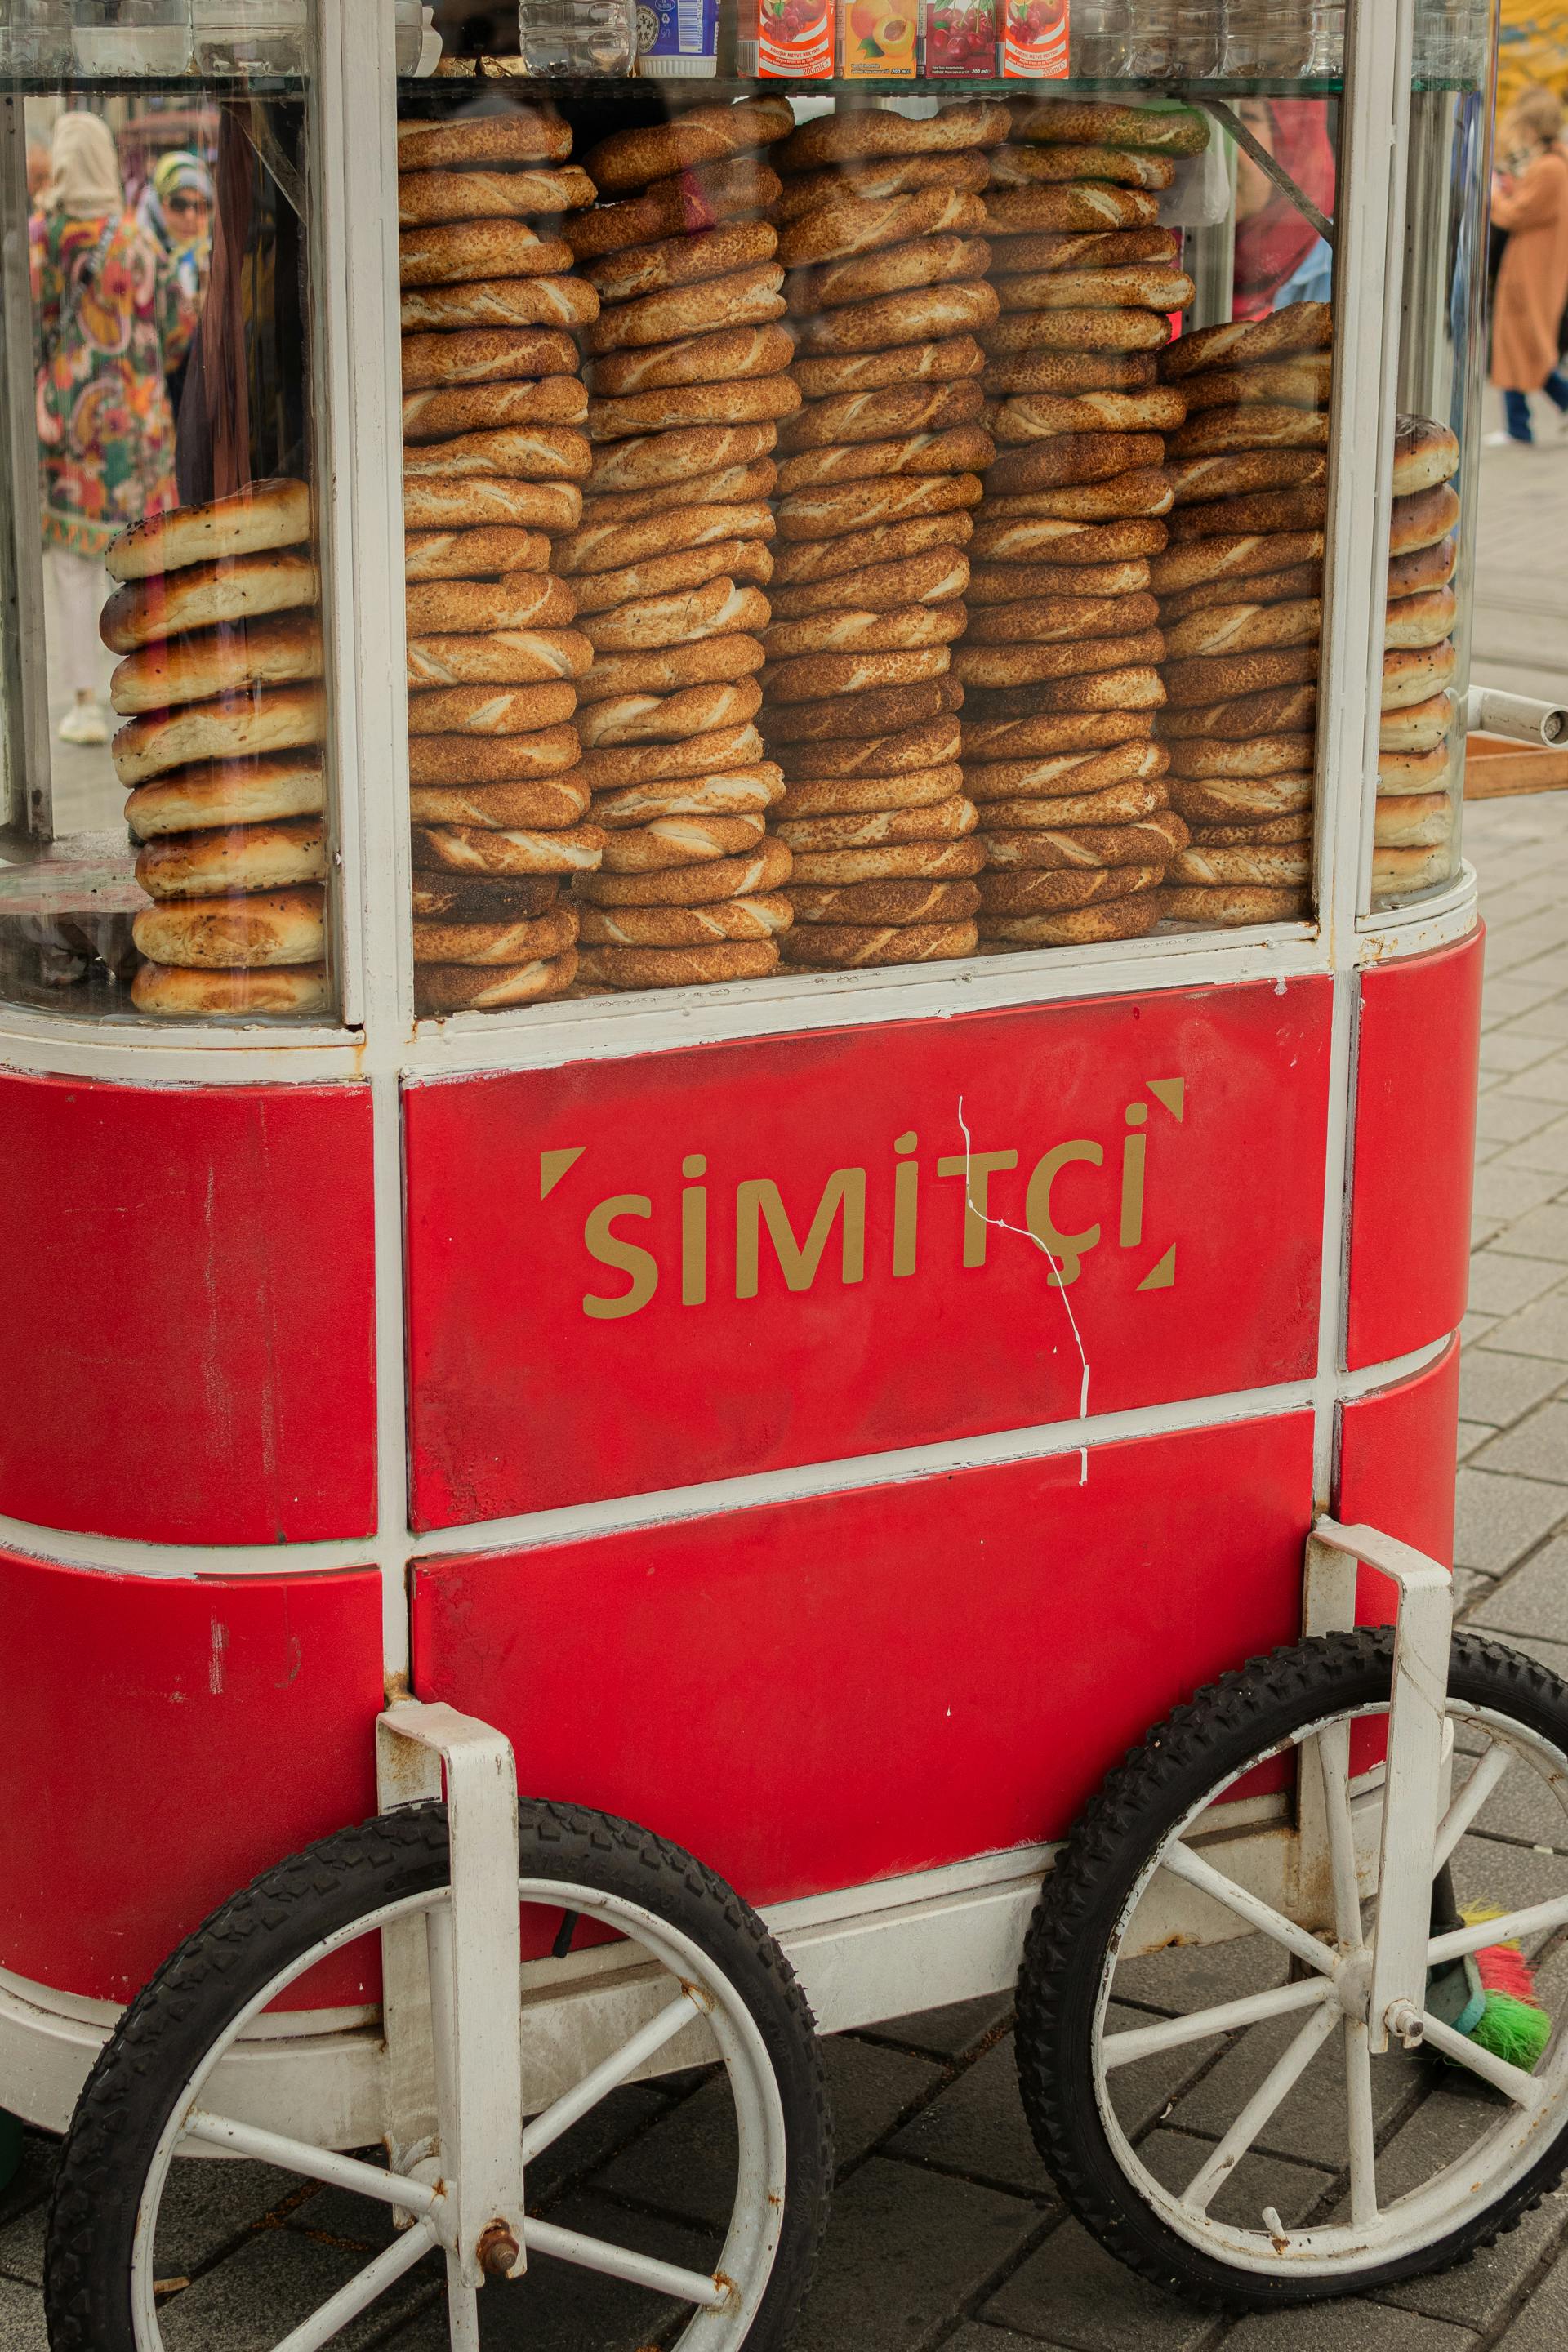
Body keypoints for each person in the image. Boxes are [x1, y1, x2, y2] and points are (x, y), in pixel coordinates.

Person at [31, 112, 194, 746]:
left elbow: (27, 324)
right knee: (146, 557)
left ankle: (82, 704)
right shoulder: (138, 240)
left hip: (74, 432)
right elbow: (179, 329)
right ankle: (152, 690)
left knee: (72, 567)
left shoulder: (42, 238)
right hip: (142, 428)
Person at [1486, 84, 1568, 447]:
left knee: (1525, 341)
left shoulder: (1551, 167)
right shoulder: (1556, 161)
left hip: (1531, 265)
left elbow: (1517, 214)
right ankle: (1519, 424)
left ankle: (1521, 425)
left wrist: (1495, 195)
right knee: (1522, 342)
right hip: (1538, 262)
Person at [136, 149, 214, 421]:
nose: (191, 216)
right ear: (157, 204)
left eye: (202, 206)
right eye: (179, 204)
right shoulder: (140, 258)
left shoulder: (217, 260)